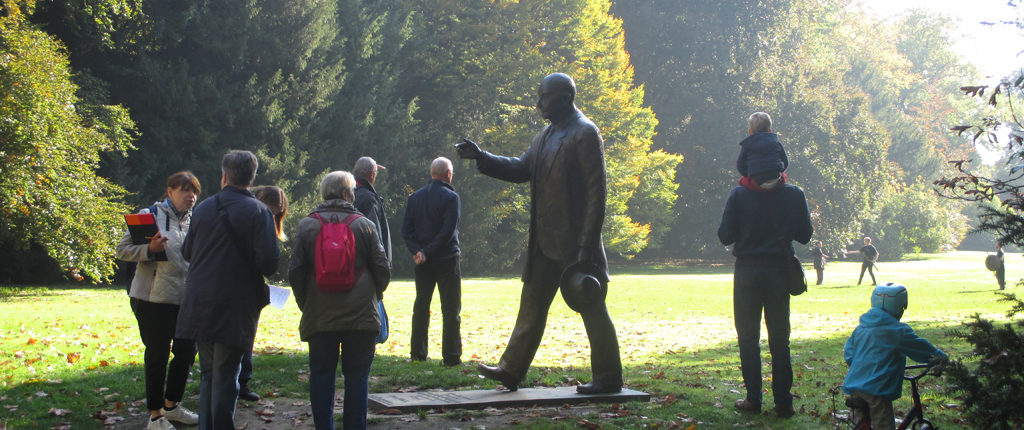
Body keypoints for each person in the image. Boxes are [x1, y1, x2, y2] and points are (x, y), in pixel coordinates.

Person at [456, 72, 623, 394]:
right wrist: (483, 158)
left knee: (591, 307)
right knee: (531, 305)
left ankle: (609, 377)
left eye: (543, 96)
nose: (538, 103)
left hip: (576, 246)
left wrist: (587, 245)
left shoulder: (585, 133)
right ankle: (510, 369)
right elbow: (522, 168)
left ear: (563, 97)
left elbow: (596, 193)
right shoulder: (545, 137)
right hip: (544, 243)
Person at [175, 150, 280, 430]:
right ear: (252, 177)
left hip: (200, 300)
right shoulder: (259, 212)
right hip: (236, 303)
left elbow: (187, 252)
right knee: (226, 376)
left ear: (224, 175)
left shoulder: (204, 208)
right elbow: (269, 263)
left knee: (210, 374)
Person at [288, 171, 390, 430]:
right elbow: (382, 269)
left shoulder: (307, 225)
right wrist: (374, 296)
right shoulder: (364, 224)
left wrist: (306, 303)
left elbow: (296, 272)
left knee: (321, 375)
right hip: (361, 316)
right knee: (357, 377)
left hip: (319, 315)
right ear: (347, 194)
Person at [717, 149, 813, 418]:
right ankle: (783, 401)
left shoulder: (739, 195)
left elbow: (725, 236)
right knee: (780, 339)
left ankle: (753, 399)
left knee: (748, 339)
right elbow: (805, 235)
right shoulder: (794, 194)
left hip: (747, 272)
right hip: (779, 272)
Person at [117, 172, 202, 430]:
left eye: (195, 191)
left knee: (187, 352)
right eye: (185, 190)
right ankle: (155, 415)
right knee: (157, 355)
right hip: (152, 299)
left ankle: (172, 405)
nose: (191, 196)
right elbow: (122, 250)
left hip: (186, 299)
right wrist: (148, 250)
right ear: (169, 191)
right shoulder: (149, 215)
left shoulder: (196, 220)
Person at [843, 284, 948, 430]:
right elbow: (921, 348)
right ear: (901, 307)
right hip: (877, 390)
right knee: (883, 425)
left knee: (858, 425)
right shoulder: (897, 331)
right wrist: (941, 359)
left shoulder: (861, 328)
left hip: (855, 386)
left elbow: (849, 354)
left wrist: (863, 367)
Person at [401, 157, 463, 366]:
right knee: (451, 308)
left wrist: (417, 251)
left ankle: (418, 353)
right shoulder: (451, 197)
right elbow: (447, 231)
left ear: (431, 173)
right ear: (448, 174)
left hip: (422, 262)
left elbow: (406, 230)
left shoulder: (414, 198)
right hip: (446, 259)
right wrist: (427, 251)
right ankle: (451, 356)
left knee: (421, 307)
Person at [232, 185, 290, 402]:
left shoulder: (263, 219)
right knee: (237, 337)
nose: (272, 216)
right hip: (238, 283)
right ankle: (235, 382)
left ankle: (243, 381)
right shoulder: (249, 215)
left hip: (252, 287)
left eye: (276, 214)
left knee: (247, 336)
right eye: (271, 211)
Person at [353, 156, 392, 263]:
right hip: (366, 267)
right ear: (372, 175)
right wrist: (382, 265)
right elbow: (375, 237)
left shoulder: (345, 191)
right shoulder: (368, 198)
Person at [737, 112, 789, 186]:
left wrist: (747, 174)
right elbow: (785, 161)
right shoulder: (776, 142)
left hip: (756, 179)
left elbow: (740, 165)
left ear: (750, 132)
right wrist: (780, 171)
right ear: (770, 131)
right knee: (783, 176)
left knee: (742, 181)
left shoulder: (747, 145)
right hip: (775, 177)